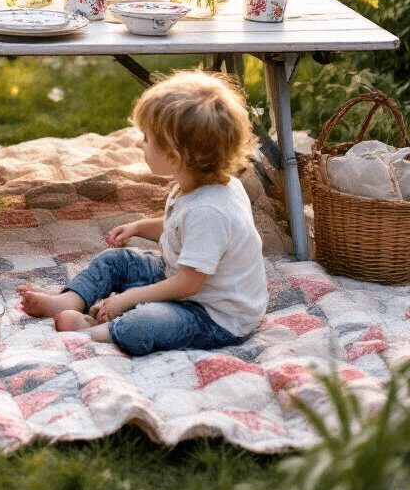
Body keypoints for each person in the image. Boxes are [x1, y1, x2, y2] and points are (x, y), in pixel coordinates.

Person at [17, 69, 267, 356]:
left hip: (213, 315)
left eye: (147, 138)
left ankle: (92, 330)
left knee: (144, 322)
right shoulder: (196, 185)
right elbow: (177, 227)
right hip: (179, 279)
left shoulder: (210, 211)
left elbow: (188, 284)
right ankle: (70, 300)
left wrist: (129, 298)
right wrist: (138, 227)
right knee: (116, 260)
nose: (140, 144)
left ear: (175, 156)